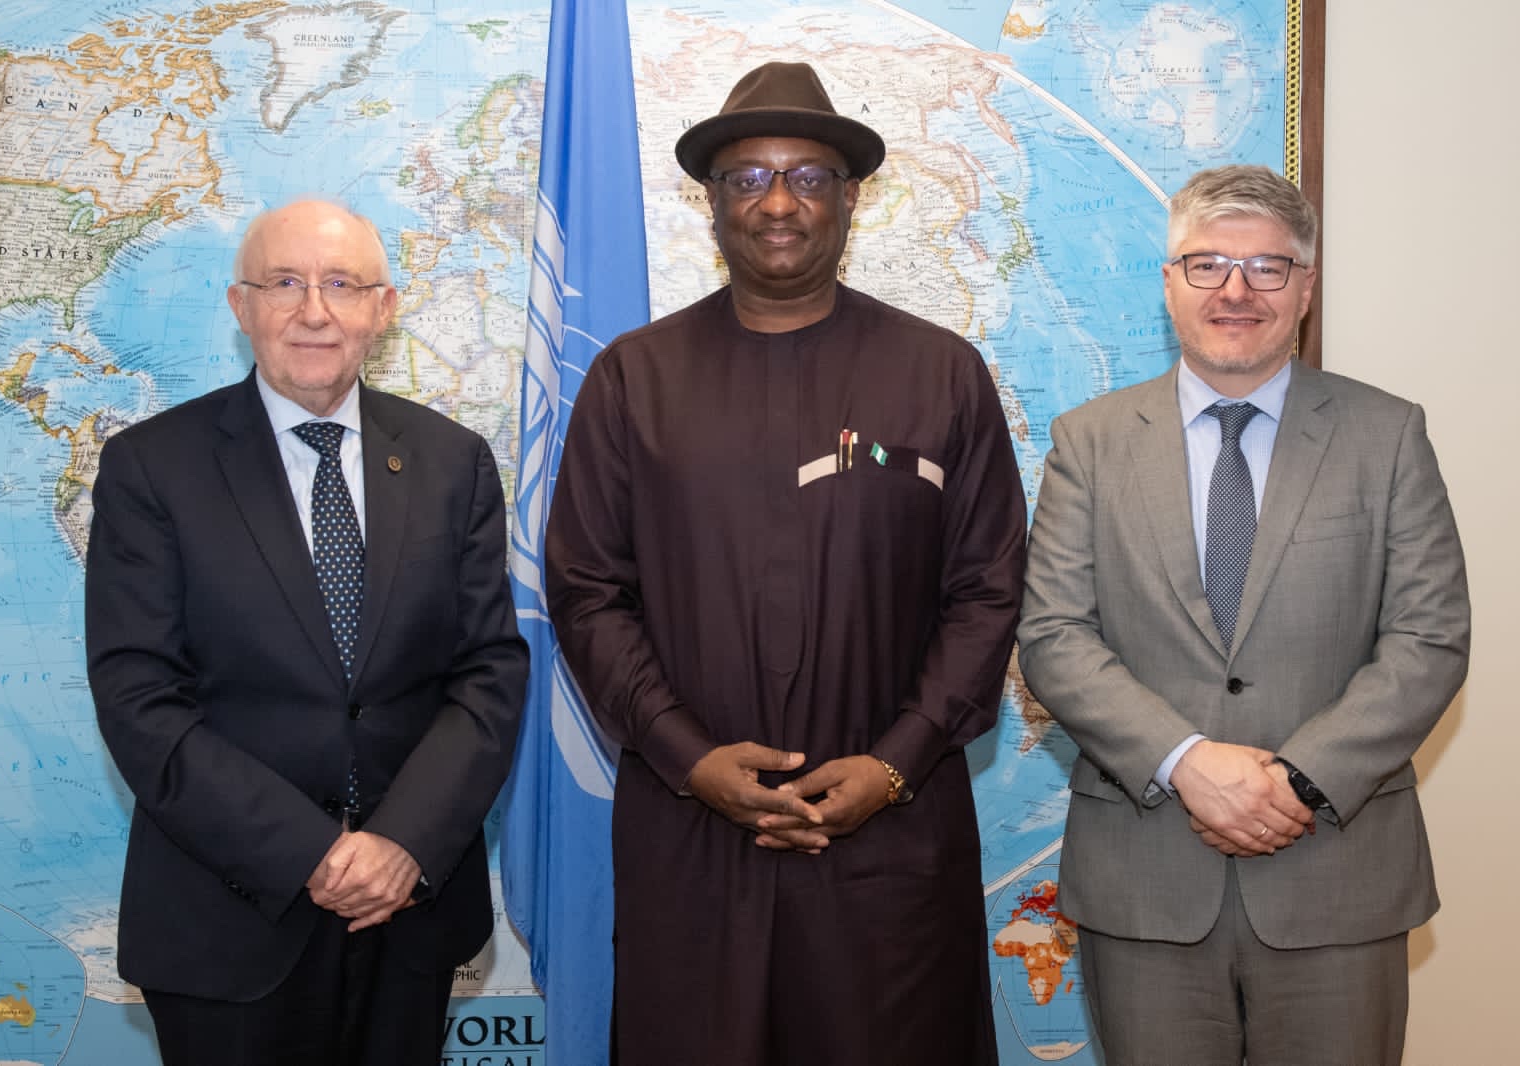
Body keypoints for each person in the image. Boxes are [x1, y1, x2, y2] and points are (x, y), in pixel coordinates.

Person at [545, 62, 1025, 1065]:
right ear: (710, 203)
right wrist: (690, 757)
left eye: (807, 177)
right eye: (747, 177)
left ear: (850, 199)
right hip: (693, 835)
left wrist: (893, 764)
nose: (776, 203)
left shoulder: (941, 374)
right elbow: (588, 590)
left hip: (890, 838)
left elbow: (985, 591)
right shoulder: (633, 378)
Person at [1017, 164, 1470, 1064]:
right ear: (1169, 283)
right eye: (1207, 264)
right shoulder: (1090, 441)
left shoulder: (1387, 435)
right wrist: (1188, 764)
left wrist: (1295, 779)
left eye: (1267, 268)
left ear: (1305, 288)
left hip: (1337, 880)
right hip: (1144, 884)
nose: (1235, 290)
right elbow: (1055, 635)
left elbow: (1428, 639)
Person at [86, 199, 528, 1066]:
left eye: (341, 284)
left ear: (383, 307)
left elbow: (487, 672)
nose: (314, 310)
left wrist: (404, 842)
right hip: (229, 920)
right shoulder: (151, 467)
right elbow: (140, 699)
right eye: (283, 283)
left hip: (409, 919)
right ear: (239, 305)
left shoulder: (452, 459)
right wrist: (313, 854)